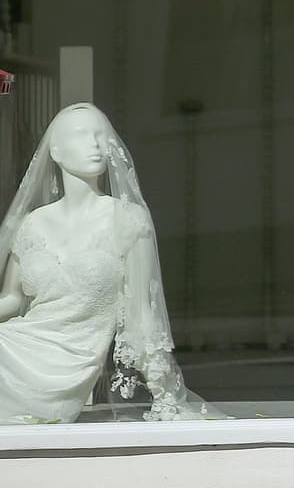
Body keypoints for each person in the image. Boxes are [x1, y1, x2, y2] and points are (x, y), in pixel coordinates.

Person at [0, 103, 201, 424]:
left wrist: (165, 394)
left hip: (66, 370)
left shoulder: (127, 221)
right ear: (56, 150)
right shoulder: (32, 224)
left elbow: (141, 315)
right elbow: (11, 300)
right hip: (15, 347)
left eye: (101, 136)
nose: (96, 145)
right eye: (82, 135)